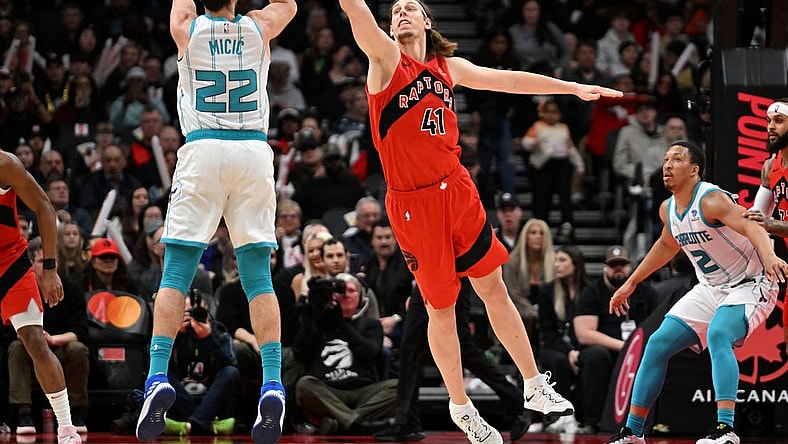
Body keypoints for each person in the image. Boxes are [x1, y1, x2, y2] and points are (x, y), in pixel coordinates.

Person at [337, 0, 622, 441]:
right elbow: (355, 10)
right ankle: (461, 406)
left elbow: (508, 80)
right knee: (442, 307)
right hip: (414, 205)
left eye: (410, 7)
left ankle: (532, 383)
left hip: (458, 187)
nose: (401, 13)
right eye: (394, 10)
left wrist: (569, 87)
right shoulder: (385, 60)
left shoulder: (447, 66)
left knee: (492, 285)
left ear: (428, 22)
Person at [135, 0, 297, 443]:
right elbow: (289, 4)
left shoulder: (187, 27)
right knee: (258, 279)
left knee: (175, 274)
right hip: (251, 151)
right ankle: (272, 382)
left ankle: (156, 377)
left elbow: (181, 8)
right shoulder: (260, 26)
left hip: (203, 149)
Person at [606, 141, 788, 444]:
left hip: (752, 281)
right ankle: (633, 433)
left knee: (719, 334)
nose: (667, 164)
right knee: (657, 343)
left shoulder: (712, 200)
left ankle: (725, 430)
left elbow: (752, 224)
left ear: (694, 170)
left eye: (676, 159)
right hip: (711, 287)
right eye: (665, 159)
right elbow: (666, 245)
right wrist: (631, 282)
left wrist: (769, 257)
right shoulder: (668, 209)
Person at [0, 150, 82, 444]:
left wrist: (50, 268)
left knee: (35, 342)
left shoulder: (4, 163)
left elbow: (44, 207)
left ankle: (66, 428)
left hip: (10, 263)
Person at [292, 273, 397, 435]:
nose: (347, 295)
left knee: (398, 386)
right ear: (332, 296)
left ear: (361, 296)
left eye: (352, 290)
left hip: (364, 391)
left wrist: (340, 324)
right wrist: (307, 317)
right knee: (304, 385)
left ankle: (343, 421)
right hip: (329, 392)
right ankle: (359, 423)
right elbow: (299, 354)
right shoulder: (318, 323)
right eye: (342, 291)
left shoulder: (371, 325)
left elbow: (370, 353)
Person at [9, 237, 90, 434]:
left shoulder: (72, 289)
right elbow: (8, 328)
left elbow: (80, 331)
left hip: (60, 346)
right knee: (16, 348)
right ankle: (24, 413)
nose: (47, 266)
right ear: (31, 264)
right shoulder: (20, 288)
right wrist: (33, 337)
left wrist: (52, 339)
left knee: (78, 349)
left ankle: (75, 412)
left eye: (51, 262)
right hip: (29, 346)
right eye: (42, 262)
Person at [574, 245, 657, 433]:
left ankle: (649, 422)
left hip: (638, 350)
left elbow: (657, 322)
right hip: (608, 349)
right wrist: (625, 347)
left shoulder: (646, 291)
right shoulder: (592, 292)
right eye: (613, 265)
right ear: (605, 267)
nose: (618, 268)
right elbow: (584, 333)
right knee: (596, 355)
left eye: (622, 264)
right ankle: (591, 420)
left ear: (630, 267)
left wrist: (635, 349)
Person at [159, 290, 240, 436]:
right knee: (161, 374)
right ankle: (203, 423)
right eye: (188, 313)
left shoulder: (219, 332)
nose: (193, 317)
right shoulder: (171, 332)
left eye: (197, 312)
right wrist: (176, 336)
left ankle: (190, 425)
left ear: (207, 311)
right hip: (182, 398)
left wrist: (209, 338)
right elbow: (161, 365)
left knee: (231, 372)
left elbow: (231, 365)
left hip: (211, 397)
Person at [743, 98, 788, 348]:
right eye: (768, 121)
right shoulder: (770, 166)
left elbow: (765, 222)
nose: (770, 127)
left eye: (778, 121)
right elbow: (755, 216)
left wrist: (769, 225)